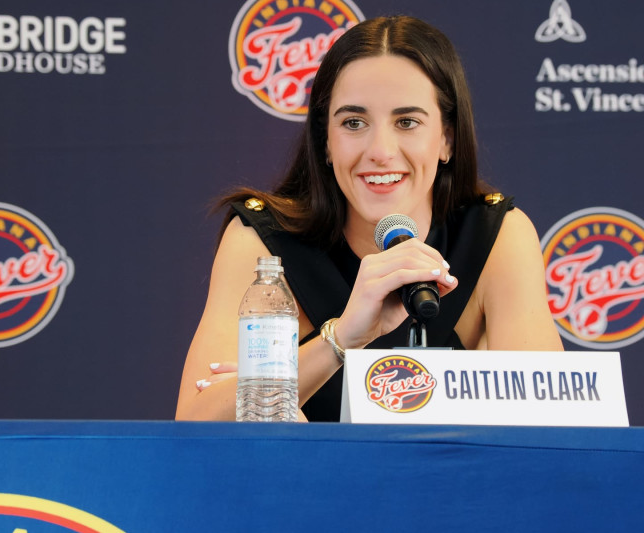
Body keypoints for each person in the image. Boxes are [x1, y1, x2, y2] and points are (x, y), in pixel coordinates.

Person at [175, 15, 562, 422]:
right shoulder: (264, 241)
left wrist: (273, 390)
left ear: (446, 138)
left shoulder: (495, 235)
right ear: (326, 141)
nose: (380, 150)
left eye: (407, 122)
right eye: (354, 123)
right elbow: (198, 422)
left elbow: (552, 427)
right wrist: (341, 339)